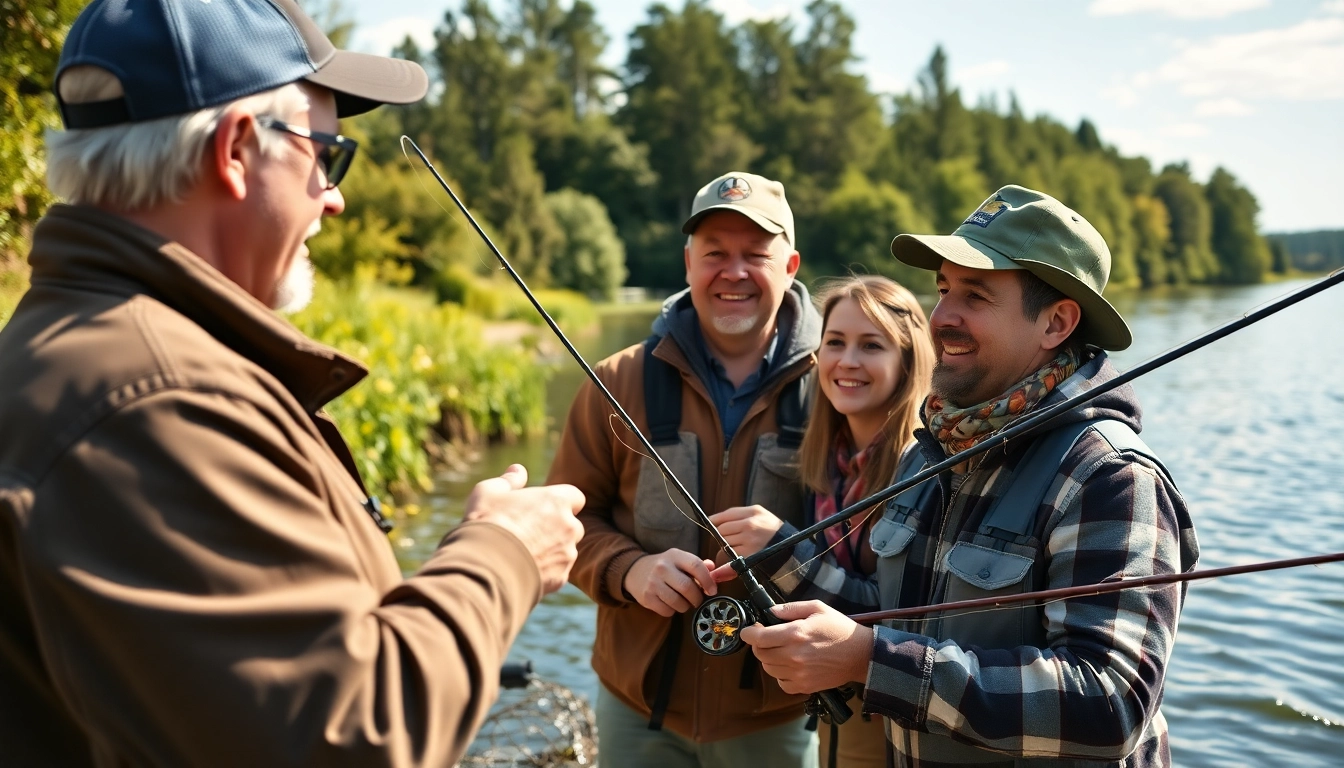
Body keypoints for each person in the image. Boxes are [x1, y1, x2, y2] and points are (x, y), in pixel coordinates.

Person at [0, 1, 585, 766]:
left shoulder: (92, 351)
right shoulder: (158, 400)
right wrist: (504, 553)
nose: (334, 197)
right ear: (237, 148)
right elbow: (347, 737)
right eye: (327, 156)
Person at [735, 186, 1201, 767]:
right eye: (943, 290)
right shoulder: (930, 453)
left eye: (975, 296)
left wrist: (870, 661)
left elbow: (1110, 705)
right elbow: (888, 614)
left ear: (1056, 322)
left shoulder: (1111, 477)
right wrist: (783, 558)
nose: (941, 317)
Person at [547, 171, 821, 767]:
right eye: (715, 253)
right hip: (636, 708)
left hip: (780, 713)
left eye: (756, 254)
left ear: (791, 266)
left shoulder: (841, 388)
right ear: (688, 263)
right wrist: (629, 570)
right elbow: (561, 523)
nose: (734, 272)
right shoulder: (615, 380)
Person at [709, 275, 935, 768]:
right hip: (837, 717)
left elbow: (895, 613)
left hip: (897, 723)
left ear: (907, 361)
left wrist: (783, 550)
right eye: (835, 342)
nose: (847, 361)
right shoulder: (828, 459)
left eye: (871, 345)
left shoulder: (924, 469)